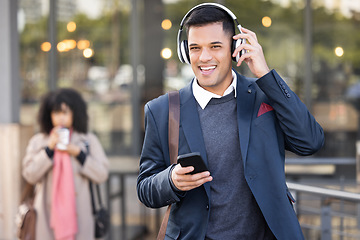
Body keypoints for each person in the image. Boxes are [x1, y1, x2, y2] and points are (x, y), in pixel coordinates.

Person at [137, 3, 324, 240]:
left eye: (215, 46)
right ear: (185, 52)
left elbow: (311, 142)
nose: (204, 57)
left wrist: (265, 74)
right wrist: (171, 180)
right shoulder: (161, 110)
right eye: (195, 48)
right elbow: (145, 189)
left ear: (235, 48)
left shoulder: (264, 95)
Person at [22, 88, 109, 240]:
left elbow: (102, 173)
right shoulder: (39, 141)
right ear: (48, 115)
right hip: (46, 220)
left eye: (65, 112)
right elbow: (29, 174)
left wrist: (79, 154)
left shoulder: (87, 140)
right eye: (56, 113)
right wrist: (48, 150)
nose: (60, 118)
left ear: (75, 113)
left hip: (81, 218)